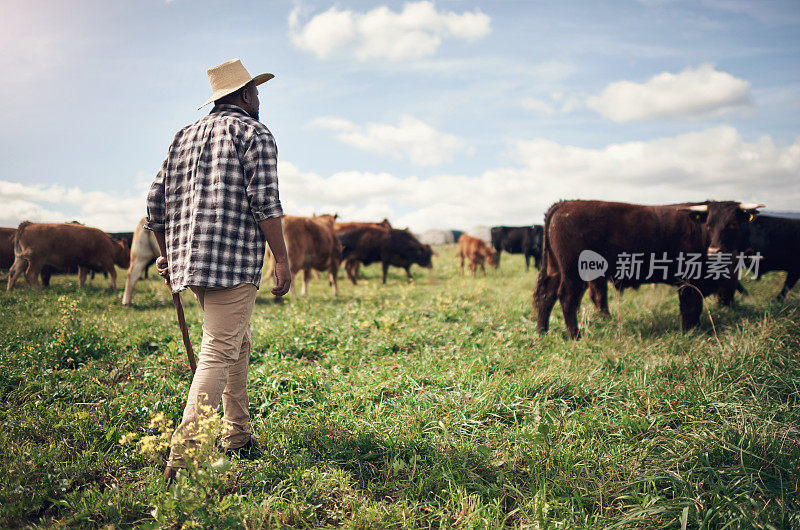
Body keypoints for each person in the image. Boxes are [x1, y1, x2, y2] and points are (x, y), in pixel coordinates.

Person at [144, 58, 292, 480]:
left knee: (234, 341)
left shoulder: (183, 136)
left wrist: (168, 254)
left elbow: (154, 206)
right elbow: (265, 201)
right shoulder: (254, 132)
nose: (259, 98)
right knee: (219, 350)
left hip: (191, 263)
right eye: (256, 91)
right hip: (233, 262)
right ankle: (184, 456)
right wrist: (281, 258)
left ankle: (237, 434)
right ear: (246, 95)